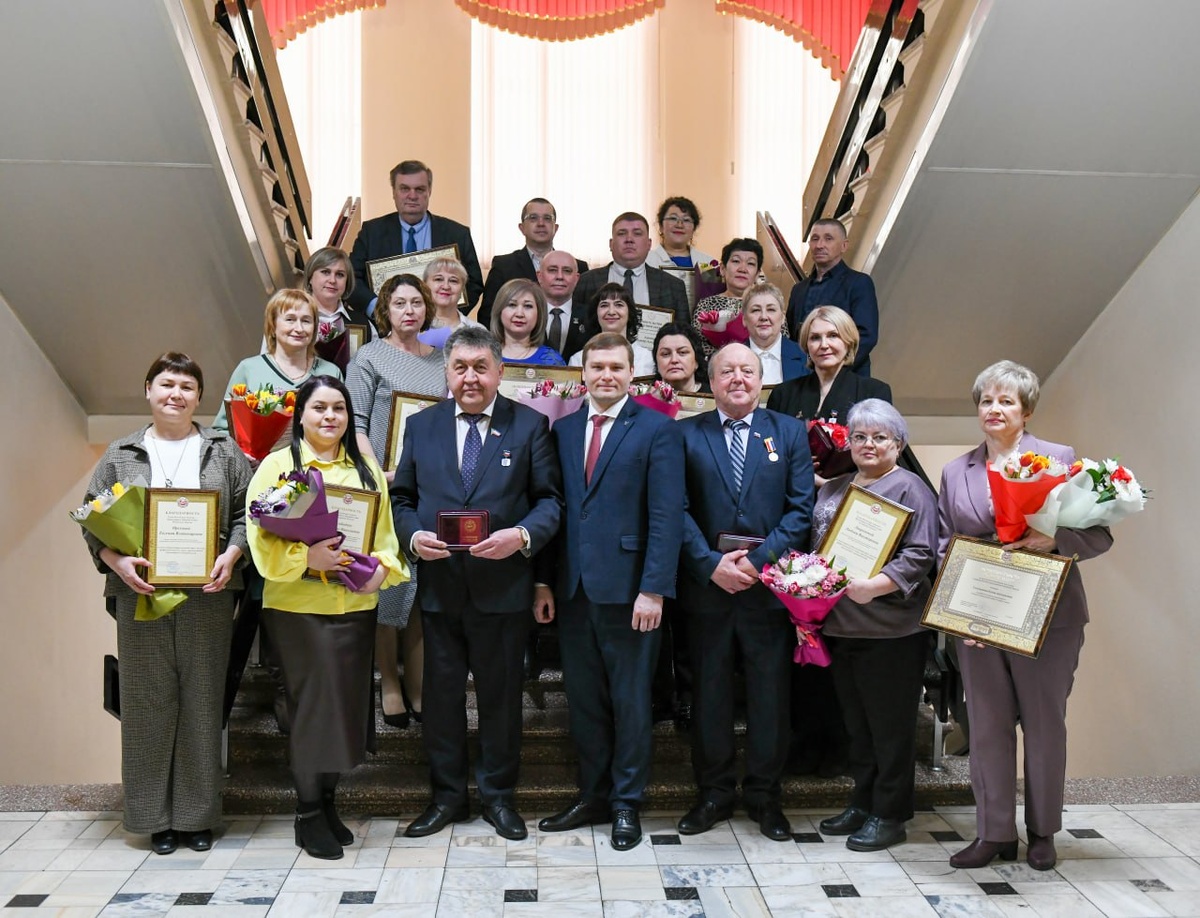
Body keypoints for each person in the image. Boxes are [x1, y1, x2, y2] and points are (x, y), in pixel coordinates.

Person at [938, 361, 1112, 871]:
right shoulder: (955, 471)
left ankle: (1042, 832)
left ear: (1027, 410)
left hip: (1050, 617)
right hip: (979, 620)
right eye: (986, 401)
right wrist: (959, 614)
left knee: (1043, 724)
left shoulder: (1060, 459)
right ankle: (993, 833)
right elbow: (946, 547)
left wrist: (1055, 539)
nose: (994, 409)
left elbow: (1100, 535)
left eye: (1006, 401)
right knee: (986, 726)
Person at [391, 326, 562, 842]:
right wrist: (413, 536)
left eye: (480, 367)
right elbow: (401, 498)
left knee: (500, 700)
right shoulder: (421, 426)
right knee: (441, 701)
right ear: (446, 372)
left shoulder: (529, 425)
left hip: (503, 590)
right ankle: (446, 797)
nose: (470, 377)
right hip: (440, 589)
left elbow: (549, 501)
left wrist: (522, 536)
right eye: (460, 367)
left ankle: (498, 797)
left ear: (499, 372)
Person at [81, 353, 251, 855]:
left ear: (199, 397)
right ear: (148, 390)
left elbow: (247, 515)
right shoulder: (120, 454)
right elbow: (92, 520)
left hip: (208, 595)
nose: (176, 394)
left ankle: (197, 817)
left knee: (202, 701)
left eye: (187, 386)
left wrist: (232, 555)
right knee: (146, 704)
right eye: (166, 384)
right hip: (141, 594)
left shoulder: (223, 451)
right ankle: (153, 819)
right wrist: (117, 563)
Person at [247, 376, 407, 860]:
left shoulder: (365, 471)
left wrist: (382, 571)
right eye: (319, 408)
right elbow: (261, 542)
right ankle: (307, 812)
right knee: (312, 711)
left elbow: (385, 537)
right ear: (301, 415)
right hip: (298, 610)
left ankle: (329, 804)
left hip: (354, 608)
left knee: (347, 708)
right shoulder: (281, 467)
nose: (330, 417)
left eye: (339, 408)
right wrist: (306, 559)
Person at [535, 333, 684, 850]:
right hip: (574, 588)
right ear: (582, 374)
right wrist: (543, 581)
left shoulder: (658, 430)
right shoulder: (562, 429)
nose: (606, 376)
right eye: (597, 367)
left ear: (631, 374)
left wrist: (654, 589)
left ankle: (626, 803)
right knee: (584, 700)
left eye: (616, 367)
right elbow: (554, 509)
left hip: (631, 591)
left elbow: (666, 515)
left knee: (630, 700)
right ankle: (593, 795)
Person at [767, 305, 927, 778]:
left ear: (849, 342)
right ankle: (805, 746)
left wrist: (832, 483)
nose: (824, 345)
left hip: (855, 521)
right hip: (804, 522)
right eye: (815, 337)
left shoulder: (873, 390)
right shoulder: (785, 393)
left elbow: (877, 455)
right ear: (804, 344)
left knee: (849, 663)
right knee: (808, 651)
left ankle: (841, 755)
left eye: (833, 336)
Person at [676, 343, 814, 841]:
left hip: (767, 591)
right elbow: (674, 508)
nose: (738, 378)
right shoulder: (684, 433)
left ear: (761, 380)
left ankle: (764, 796)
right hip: (707, 591)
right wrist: (710, 564)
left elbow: (800, 510)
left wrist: (756, 563)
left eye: (747, 370)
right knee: (709, 694)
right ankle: (713, 793)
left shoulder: (789, 432)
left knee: (769, 697)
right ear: (711, 382)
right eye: (727, 371)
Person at [812, 399, 936, 852]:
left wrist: (876, 586)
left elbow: (922, 553)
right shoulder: (835, 486)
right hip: (840, 626)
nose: (869, 444)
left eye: (880, 437)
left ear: (898, 444)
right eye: (859, 436)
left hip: (891, 630)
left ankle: (890, 813)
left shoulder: (910, 488)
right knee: (858, 727)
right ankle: (862, 802)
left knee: (890, 729)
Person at [346, 274, 445, 731]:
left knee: (423, 587)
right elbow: (356, 424)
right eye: (399, 303)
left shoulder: (441, 360)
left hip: (431, 488)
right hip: (385, 485)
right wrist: (378, 474)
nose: (409, 310)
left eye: (416, 303)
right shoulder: (368, 357)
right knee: (387, 584)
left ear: (427, 309)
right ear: (385, 308)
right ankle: (388, 681)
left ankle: (418, 682)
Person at [213, 289, 343, 446]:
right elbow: (222, 430)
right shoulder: (249, 370)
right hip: (259, 461)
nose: (299, 328)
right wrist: (243, 453)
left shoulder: (331, 372)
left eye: (306, 321)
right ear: (272, 326)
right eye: (290, 319)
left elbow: (344, 427)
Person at [348, 160, 483, 311]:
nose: (412, 196)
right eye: (404, 188)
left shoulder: (457, 234)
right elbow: (351, 278)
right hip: (383, 324)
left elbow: (474, 284)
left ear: (429, 191)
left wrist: (447, 316)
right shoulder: (371, 232)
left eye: (419, 189)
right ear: (394, 192)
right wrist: (377, 310)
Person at [785, 219, 878, 376]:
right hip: (804, 377)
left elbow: (866, 336)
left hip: (847, 376)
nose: (820, 245)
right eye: (815, 239)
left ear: (844, 246)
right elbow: (793, 337)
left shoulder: (859, 283)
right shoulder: (798, 289)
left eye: (828, 238)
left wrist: (831, 369)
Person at [479, 198, 588, 329]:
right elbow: (488, 315)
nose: (541, 223)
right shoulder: (504, 266)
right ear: (522, 228)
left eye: (547, 218)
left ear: (556, 228)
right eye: (533, 218)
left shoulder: (578, 267)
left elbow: (586, 315)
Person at [574, 212, 690, 324]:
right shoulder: (585, 281)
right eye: (622, 233)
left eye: (637, 234)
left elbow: (683, 332)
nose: (629, 239)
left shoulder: (673, 286)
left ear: (649, 244)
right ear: (611, 244)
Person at [305, 247, 375, 373]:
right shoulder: (289, 319)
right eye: (325, 272)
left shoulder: (364, 324)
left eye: (340, 275)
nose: (332, 280)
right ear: (310, 277)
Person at [691, 238, 764, 355]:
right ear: (722, 269)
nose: (742, 269)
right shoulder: (706, 304)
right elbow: (695, 343)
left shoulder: (768, 305)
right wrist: (725, 357)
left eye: (750, 263)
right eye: (736, 261)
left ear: (757, 274)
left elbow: (780, 341)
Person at [567, 283, 655, 376]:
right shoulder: (578, 360)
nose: (611, 312)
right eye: (604, 305)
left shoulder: (647, 359)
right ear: (596, 313)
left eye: (619, 305)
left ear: (630, 312)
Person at [741, 281, 808, 385]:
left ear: (783, 317)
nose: (764, 317)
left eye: (771, 309)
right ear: (744, 319)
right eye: (756, 310)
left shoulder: (804, 355)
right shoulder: (731, 358)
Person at [490, 278, 565, 365]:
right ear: (499, 311)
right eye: (512, 305)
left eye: (528, 306)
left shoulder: (552, 360)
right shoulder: (484, 355)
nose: (519, 314)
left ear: (539, 314)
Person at [538, 249, 589, 361]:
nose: (560, 276)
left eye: (567, 271)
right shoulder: (528, 314)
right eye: (552, 270)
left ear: (576, 279)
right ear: (539, 276)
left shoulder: (590, 316)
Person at [419, 256, 483, 344]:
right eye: (438, 279)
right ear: (425, 285)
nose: (446, 286)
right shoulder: (411, 327)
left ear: (462, 289)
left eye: (453, 281)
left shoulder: (478, 332)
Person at [646, 196, 714, 269]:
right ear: (661, 226)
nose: (679, 225)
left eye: (686, 220)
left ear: (694, 229)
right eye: (673, 218)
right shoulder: (646, 261)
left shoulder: (708, 263)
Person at [652, 323, 709, 393]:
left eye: (682, 352)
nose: (674, 360)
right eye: (666, 354)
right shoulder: (644, 396)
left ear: (697, 360)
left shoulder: (716, 396)